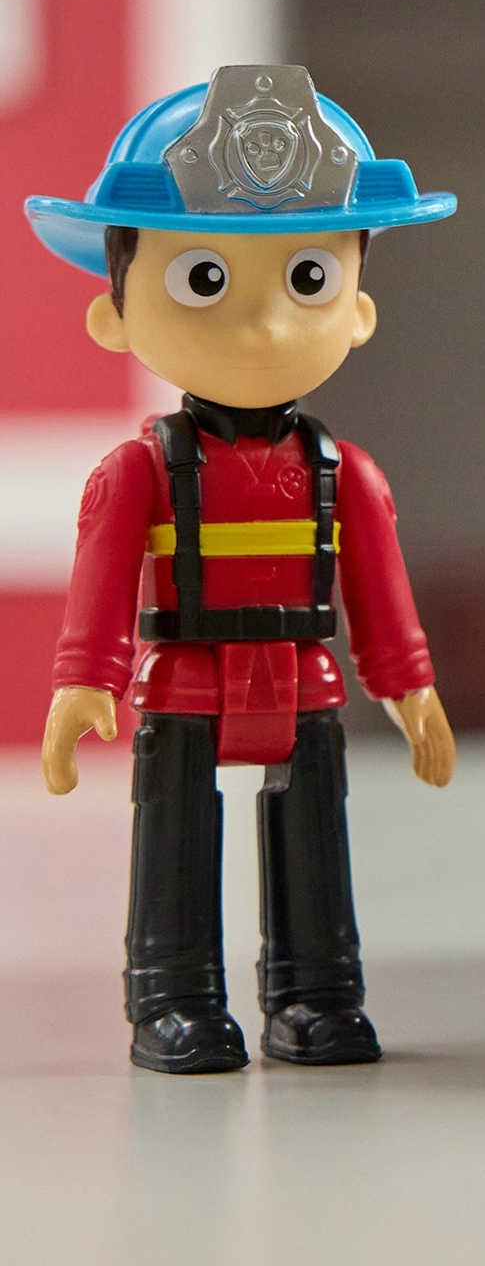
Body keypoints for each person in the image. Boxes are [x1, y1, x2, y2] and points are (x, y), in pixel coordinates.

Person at [24, 65, 459, 1074]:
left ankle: (316, 993)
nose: (262, 327)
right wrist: (82, 684)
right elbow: (99, 586)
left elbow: (379, 595)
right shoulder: (139, 470)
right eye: (204, 281)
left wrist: (411, 689)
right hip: (183, 677)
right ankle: (172, 998)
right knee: (175, 837)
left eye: (308, 279)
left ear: (357, 309)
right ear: (114, 314)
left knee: (313, 837)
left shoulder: (343, 472)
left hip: (304, 674)